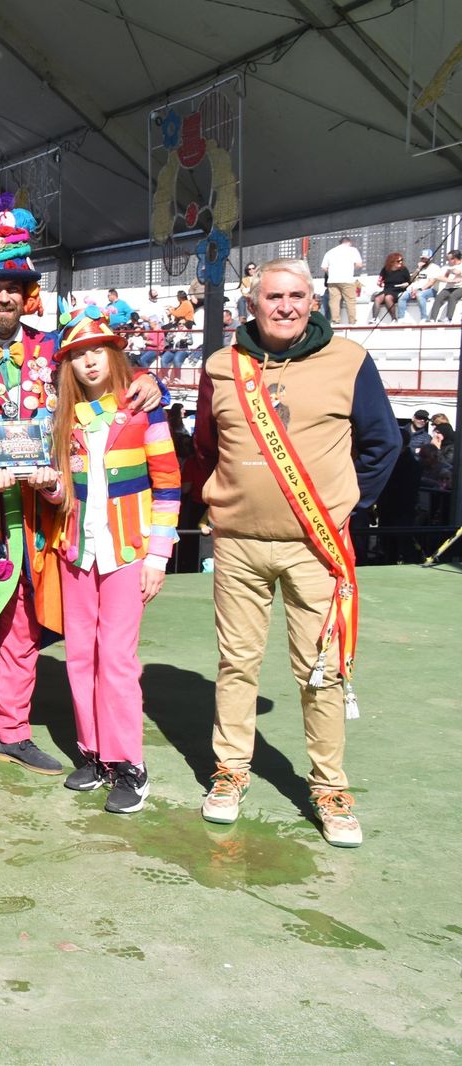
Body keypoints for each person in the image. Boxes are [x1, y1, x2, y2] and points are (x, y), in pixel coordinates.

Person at [0, 193, 163, 792]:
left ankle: (13, 730)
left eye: (13, 285)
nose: (3, 295)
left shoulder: (50, 350)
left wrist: (148, 381)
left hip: (48, 517)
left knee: (25, 631)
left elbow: (104, 366)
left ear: (26, 293)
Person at [188, 258, 399, 847]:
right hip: (238, 546)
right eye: (274, 296)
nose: (285, 306)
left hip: (315, 549)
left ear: (314, 301)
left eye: (297, 296)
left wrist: (345, 509)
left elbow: (383, 444)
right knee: (237, 665)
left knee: (322, 672)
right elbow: (206, 446)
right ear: (253, 303)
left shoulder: (350, 360)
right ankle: (230, 772)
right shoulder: (220, 367)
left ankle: (329, 788)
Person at [42, 316, 179, 814]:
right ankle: (94, 753)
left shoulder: (146, 409)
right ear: (68, 366)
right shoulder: (64, 417)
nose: (90, 359)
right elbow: (64, 493)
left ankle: (129, 764)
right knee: (79, 656)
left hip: (128, 552)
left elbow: (167, 486)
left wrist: (158, 556)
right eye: (79, 354)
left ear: (116, 353)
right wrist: (47, 485)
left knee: (116, 659)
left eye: (99, 349)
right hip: (78, 551)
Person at [319, 236, 364, 324]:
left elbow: (323, 267)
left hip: (332, 280)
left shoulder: (330, 252)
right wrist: (351, 267)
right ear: (349, 242)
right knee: (350, 301)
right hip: (347, 279)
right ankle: (352, 322)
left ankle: (335, 321)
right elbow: (359, 264)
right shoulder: (353, 250)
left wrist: (331, 272)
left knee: (334, 301)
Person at [399, 250, 437, 321]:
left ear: (430, 259)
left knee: (420, 295)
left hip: (429, 289)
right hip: (414, 289)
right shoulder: (420, 268)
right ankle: (401, 318)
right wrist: (418, 269)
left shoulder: (434, 267)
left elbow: (431, 282)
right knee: (402, 296)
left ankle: (424, 317)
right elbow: (411, 280)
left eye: (425, 258)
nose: (423, 260)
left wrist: (420, 289)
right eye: (422, 258)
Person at [371, 253, 409, 323]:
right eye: (398, 261)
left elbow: (409, 281)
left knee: (388, 298)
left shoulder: (404, 270)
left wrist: (406, 284)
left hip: (398, 289)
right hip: (387, 289)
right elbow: (380, 280)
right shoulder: (385, 269)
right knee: (377, 298)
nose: (401, 262)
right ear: (392, 262)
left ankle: (394, 318)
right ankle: (374, 318)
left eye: (401, 260)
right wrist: (379, 283)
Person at [429, 249, 462, 322]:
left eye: (449, 259)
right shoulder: (446, 266)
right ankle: (432, 319)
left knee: (453, 296)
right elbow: (439, 277)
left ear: (455, 259)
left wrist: (458, 273)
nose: (447, 261)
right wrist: (451, 280)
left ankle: (448, 318)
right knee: (439, 297)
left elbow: (458, 272)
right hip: (449, 287)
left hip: (460, 287)